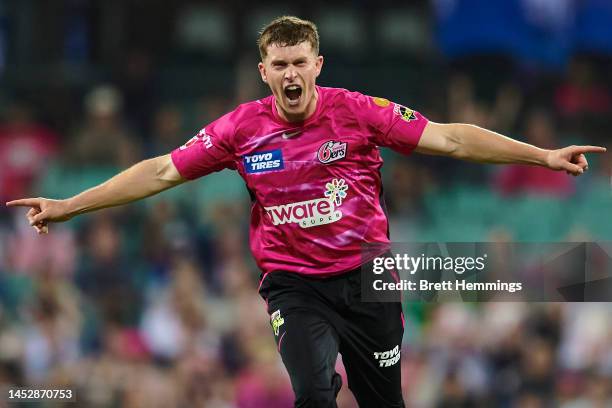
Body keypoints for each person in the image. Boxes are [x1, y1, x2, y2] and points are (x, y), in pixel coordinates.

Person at [6, 16, 606, 408]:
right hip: (295, 287)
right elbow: (162, 170)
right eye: (280, 64)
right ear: (264, 71)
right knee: (314, 394)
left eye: (300, 62)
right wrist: (70, 205)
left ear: (318, 65)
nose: (291, 74)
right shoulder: (240, 129)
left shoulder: (357, 112)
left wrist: (543, 155)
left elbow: (449, 138)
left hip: (369, 281)